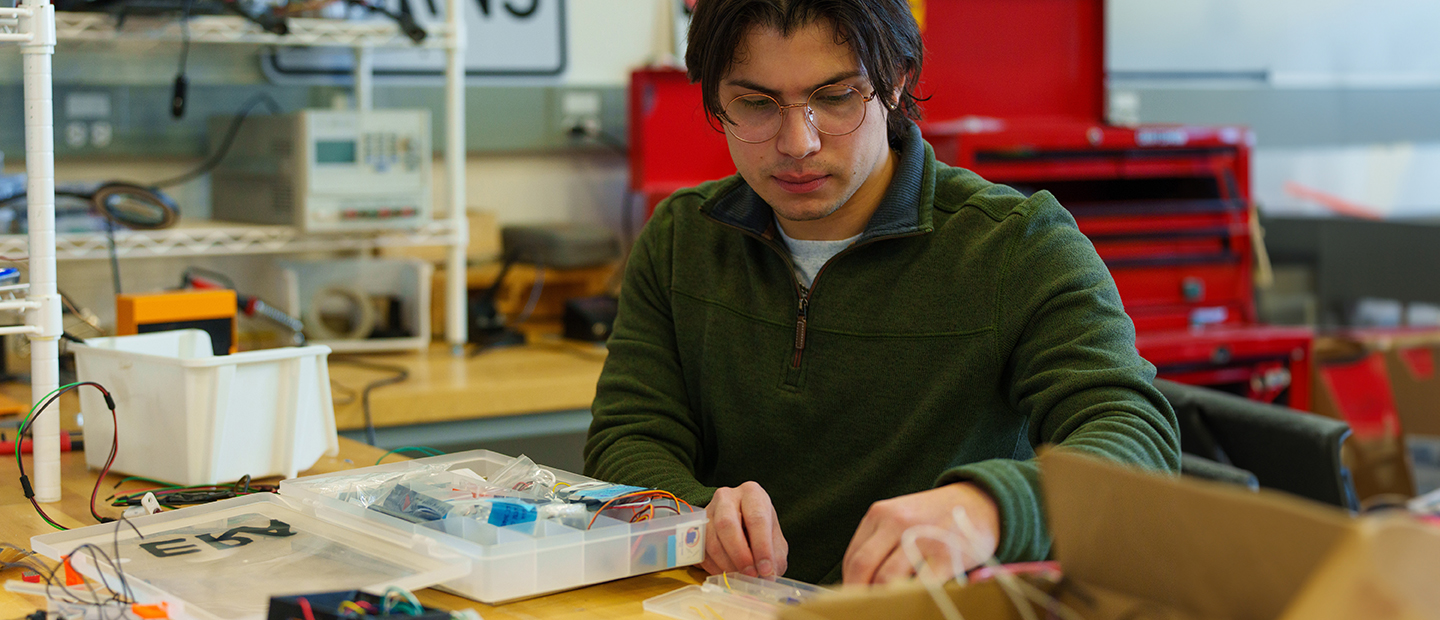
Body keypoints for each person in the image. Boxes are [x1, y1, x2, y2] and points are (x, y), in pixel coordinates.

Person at [585, 0, 1179, 586]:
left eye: (835, 96)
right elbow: (629, 435)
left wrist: (987, 508)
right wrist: (691, 513)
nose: (797, 142)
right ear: (715, 98)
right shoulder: (681, 238)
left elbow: (1137, 440)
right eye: (755, 104)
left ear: (893, 83)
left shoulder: (1015, 245)